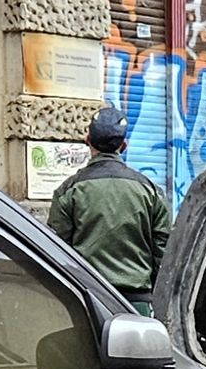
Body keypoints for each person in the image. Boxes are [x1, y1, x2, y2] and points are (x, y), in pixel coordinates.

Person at [48, 107, 172, 315]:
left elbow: (58, 250)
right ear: (124, 146)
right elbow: (164, 253)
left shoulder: (69, 191)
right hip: (137, 305)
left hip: (88, 302)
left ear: (88, 140)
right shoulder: (149, 190)